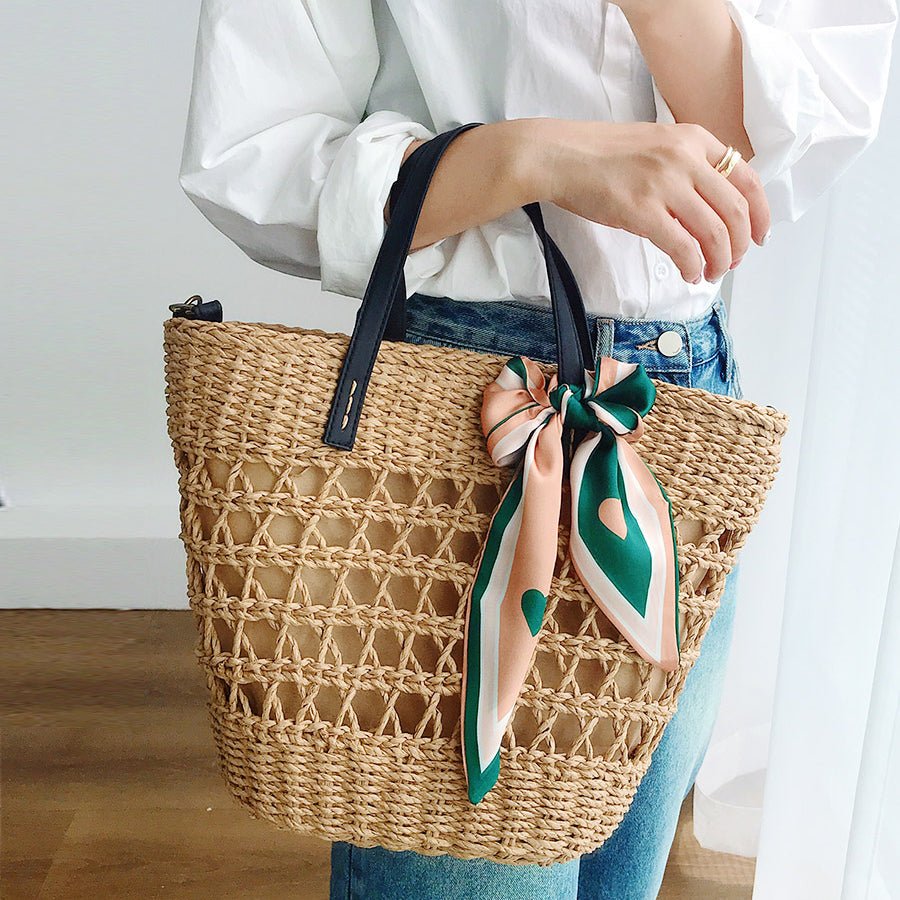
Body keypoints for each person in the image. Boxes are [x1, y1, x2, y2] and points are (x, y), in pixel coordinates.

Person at [178, 1, 897, 897]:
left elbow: (785, 148)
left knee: (620, 873)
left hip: (680, 407)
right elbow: (250, 150)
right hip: (461, 406)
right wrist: (531, 158)